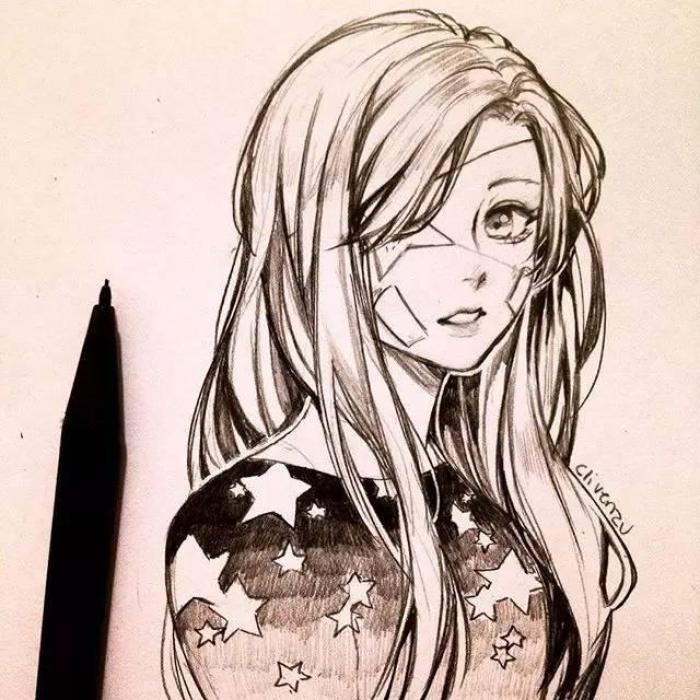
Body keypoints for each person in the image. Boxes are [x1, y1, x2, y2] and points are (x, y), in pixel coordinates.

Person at [162, 10, 636, 699]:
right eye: (414, 221)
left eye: (506, 219)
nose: (473, 269)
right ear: (316, 235)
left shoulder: (528, 509)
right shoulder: (244, 531)